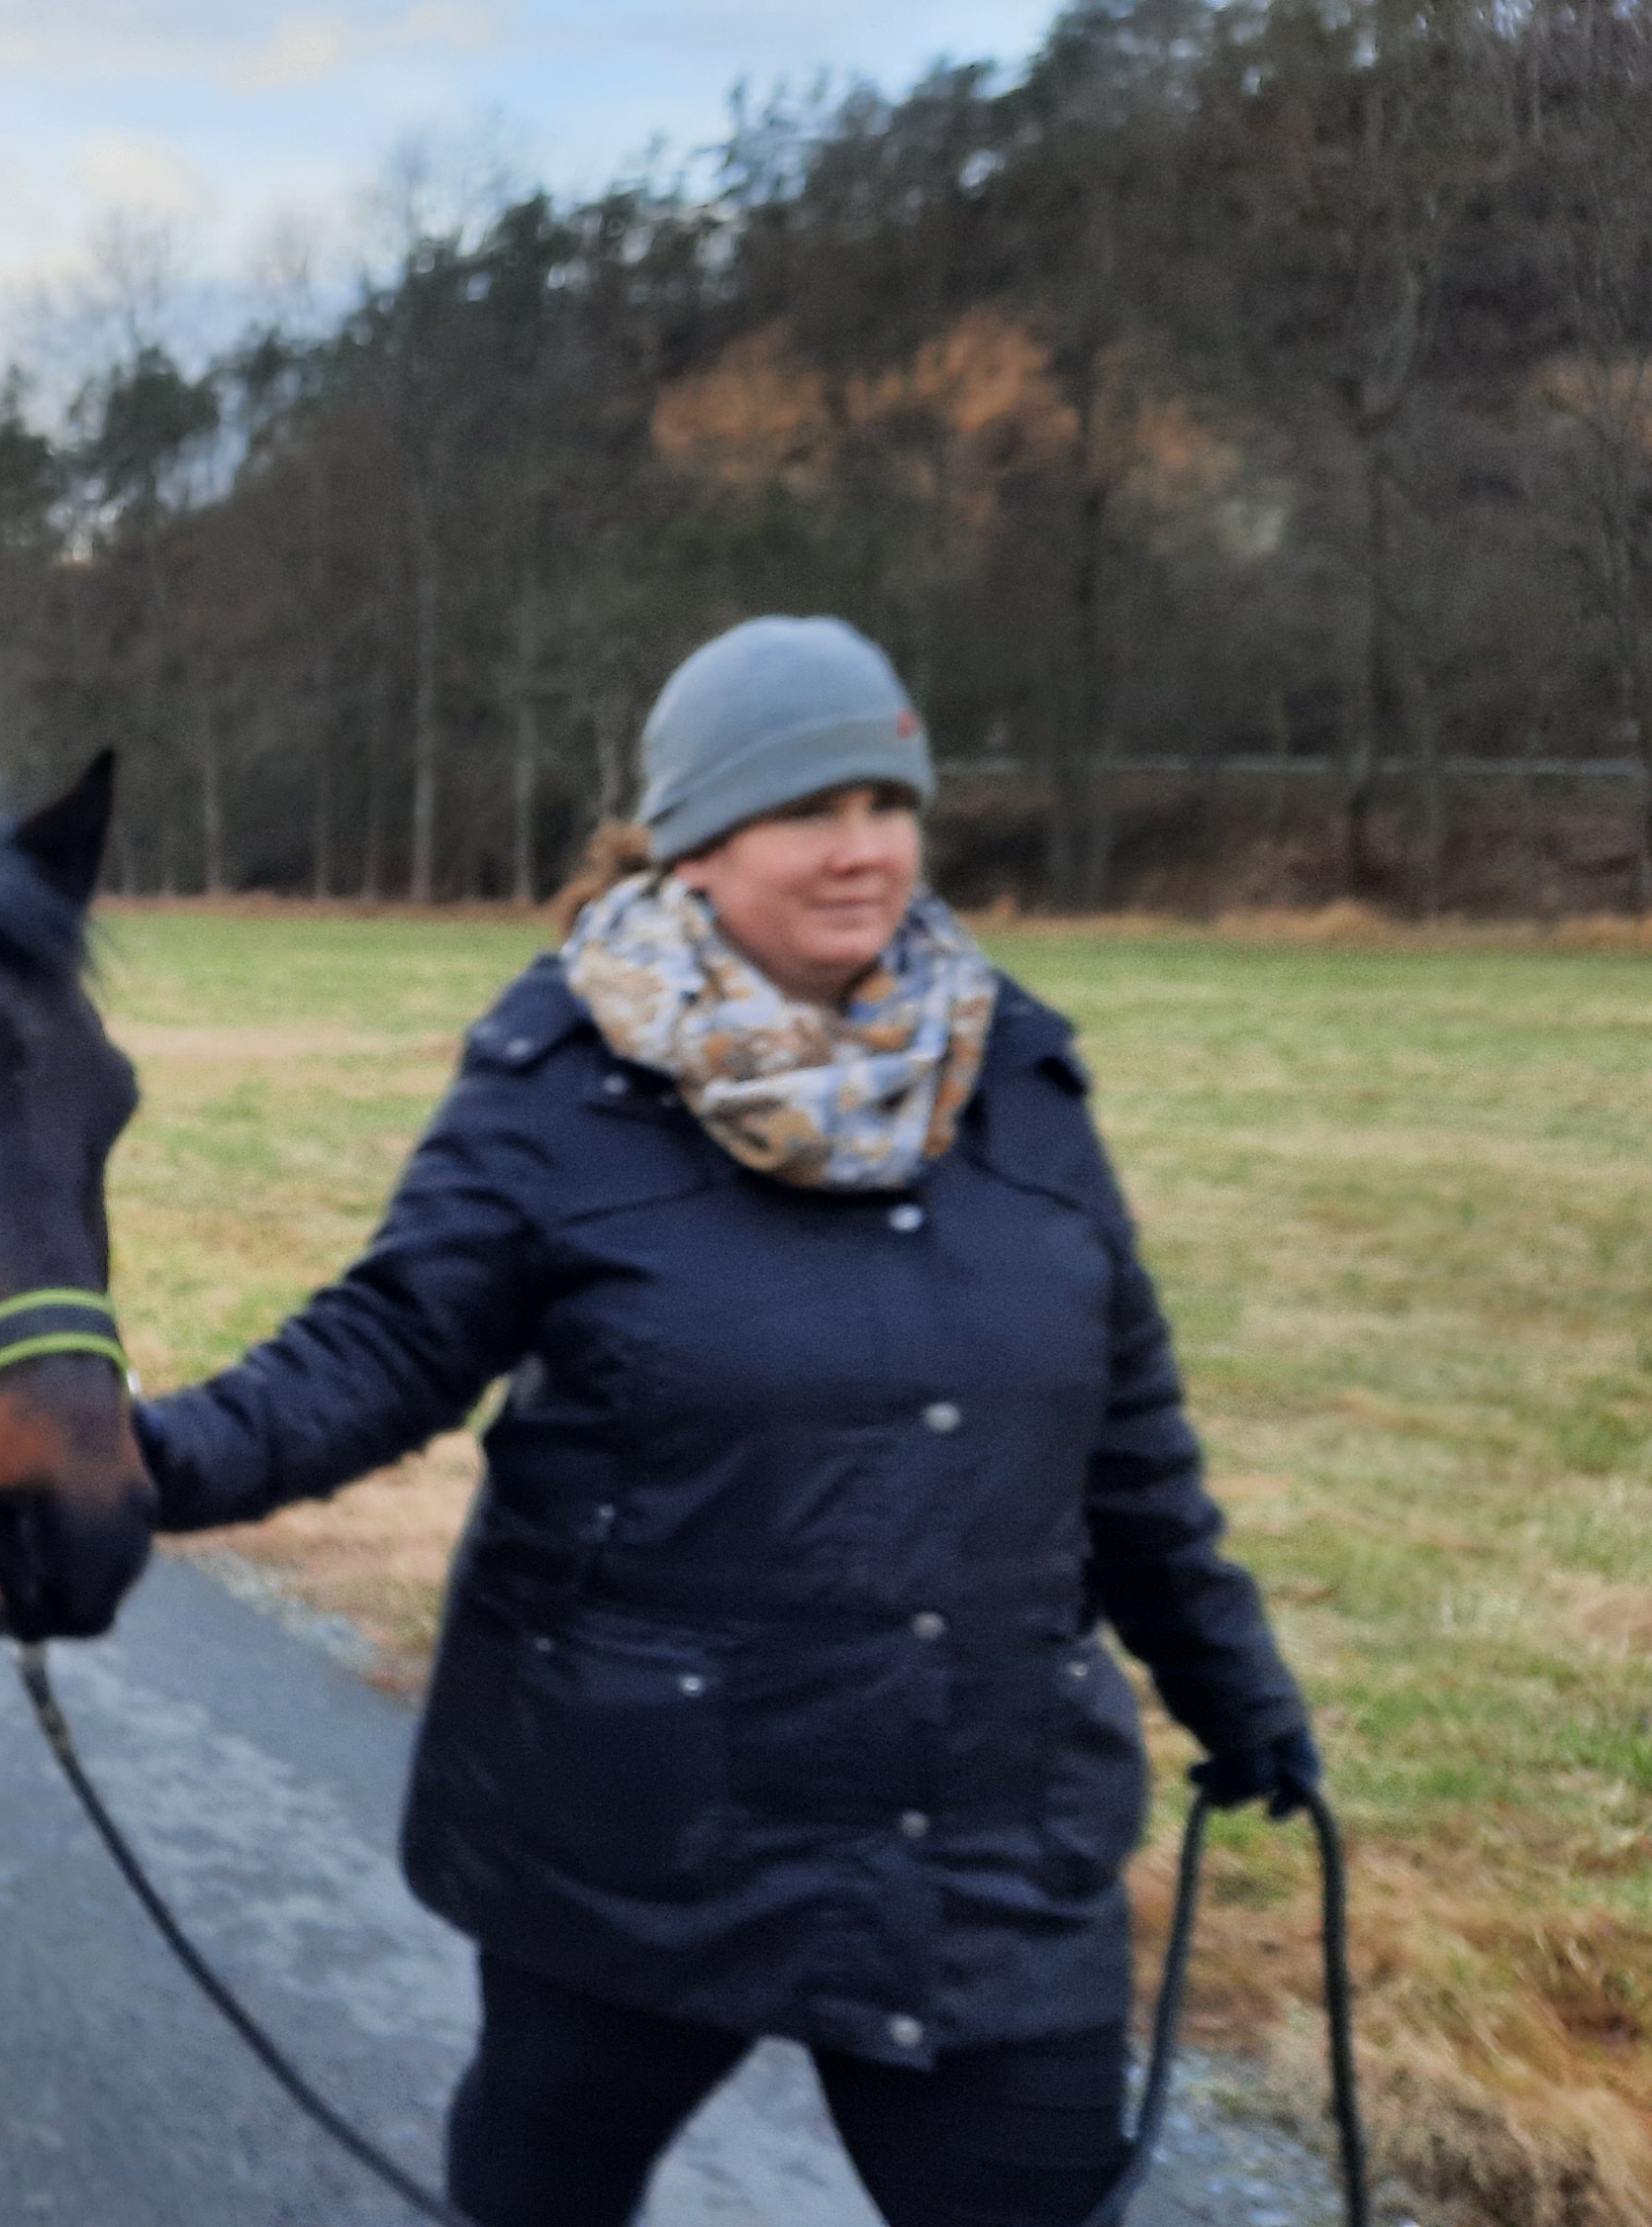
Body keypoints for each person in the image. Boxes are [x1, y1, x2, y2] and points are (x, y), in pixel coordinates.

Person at [128, 617, 1323, 2227]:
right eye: (807, 811)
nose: (862, 850)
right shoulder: (562, 1081)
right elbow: (389, 1347)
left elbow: (1129, 1451)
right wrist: (128, 1467)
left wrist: (1238, 1694)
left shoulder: (1017, 1074)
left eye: (887, 804)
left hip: (978, 1838)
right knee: (541, 2187)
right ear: (694, 845)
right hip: (637, 1820)